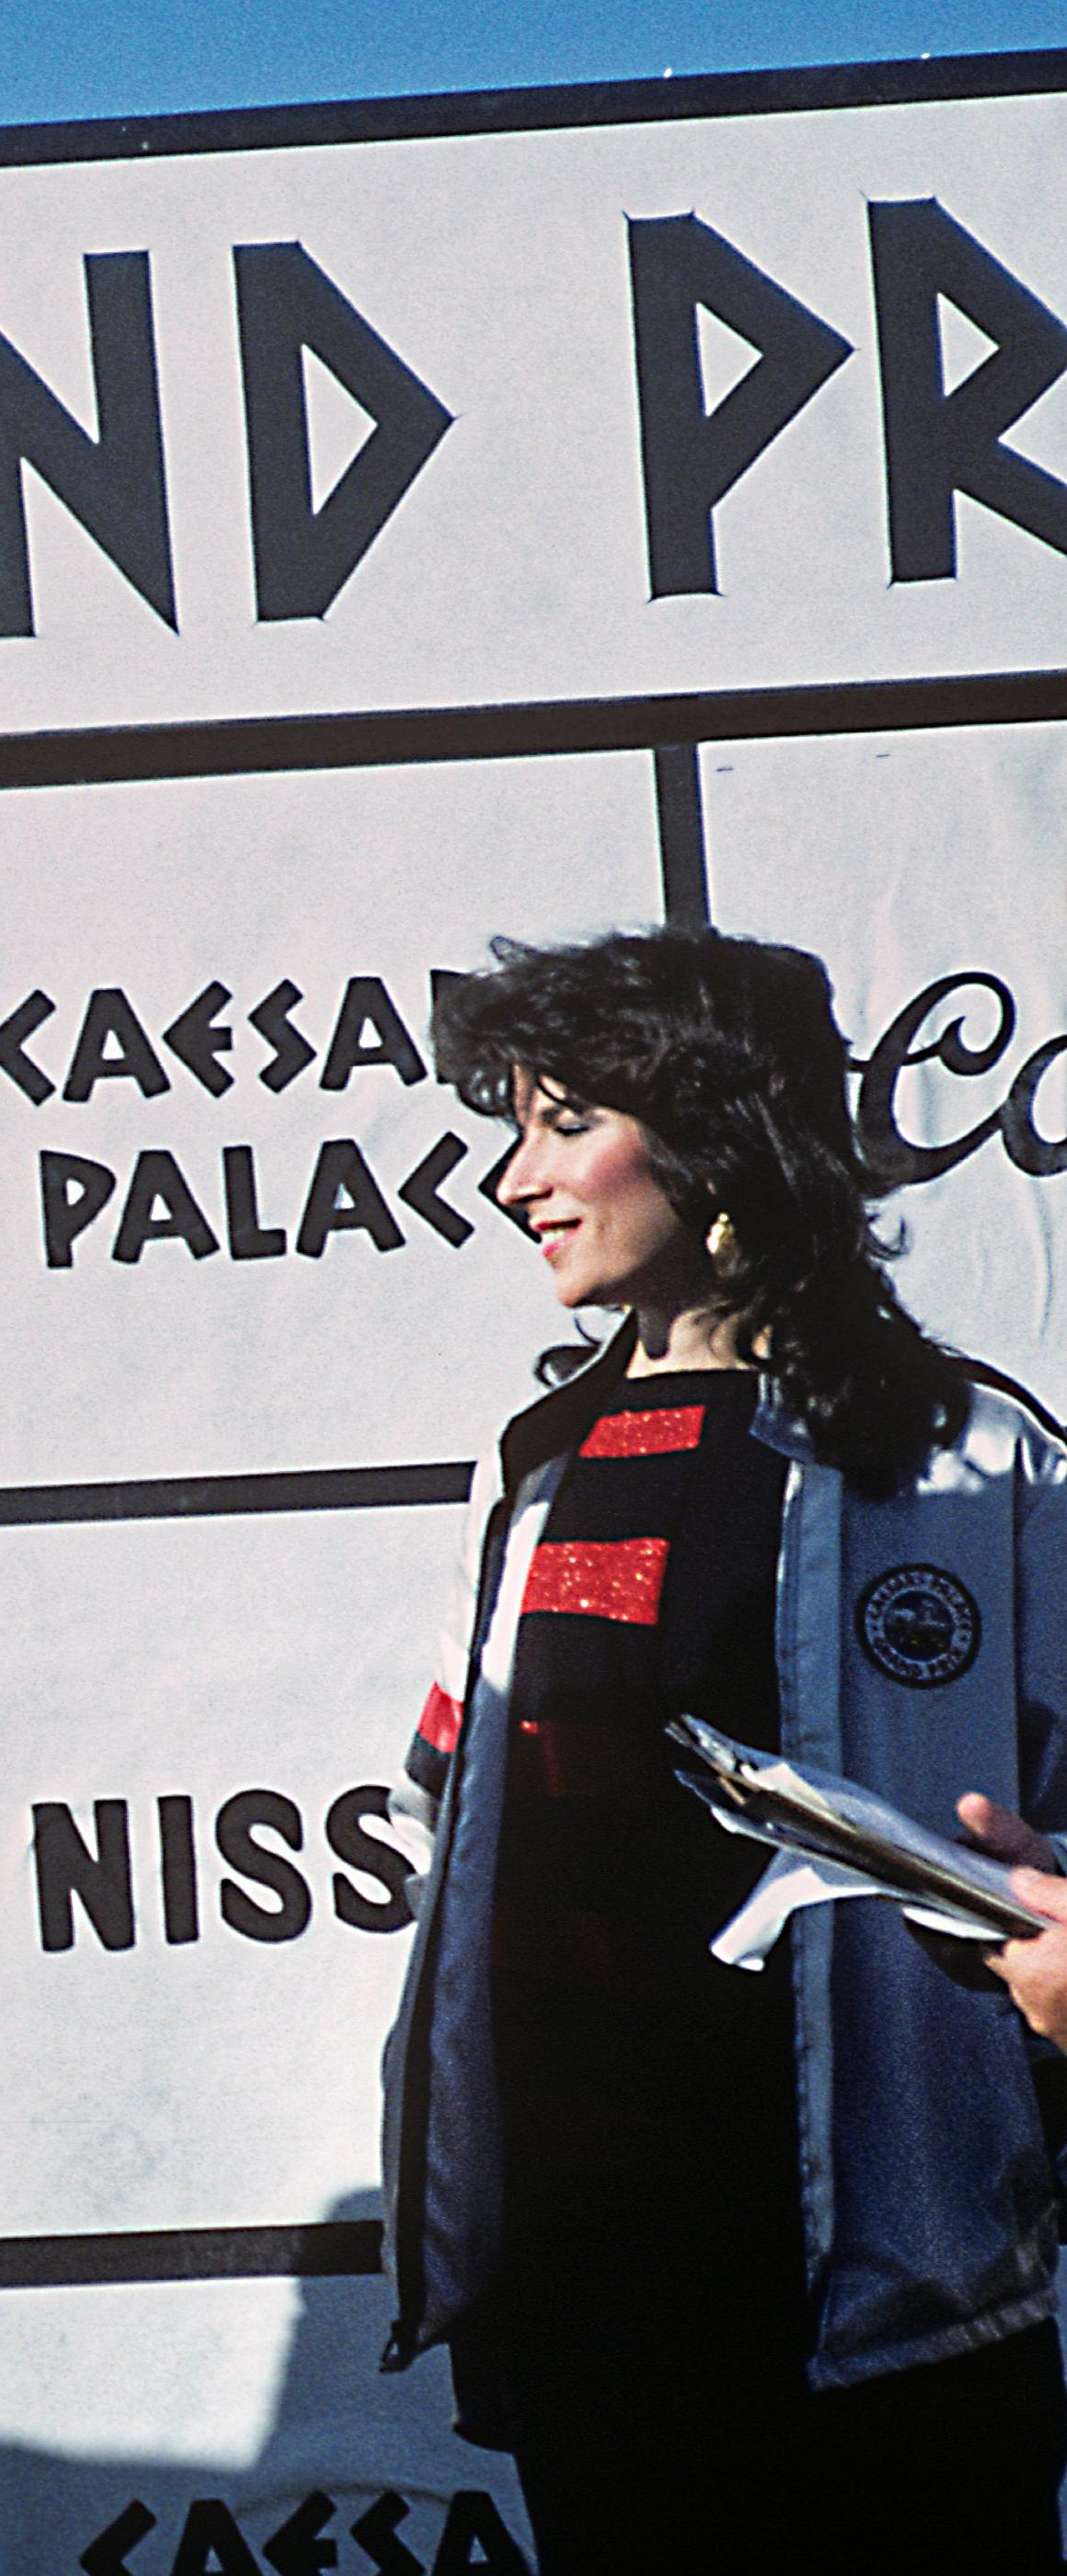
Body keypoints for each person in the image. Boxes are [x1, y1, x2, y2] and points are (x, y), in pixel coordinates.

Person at [382, 927, 1067, 2574]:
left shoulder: (972, 1454)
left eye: (561, 1124)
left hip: (883, 2292)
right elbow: (463, 1805)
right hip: (589, 2273)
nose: (506, 1180)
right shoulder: (533, 1462)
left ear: (710, 1132)